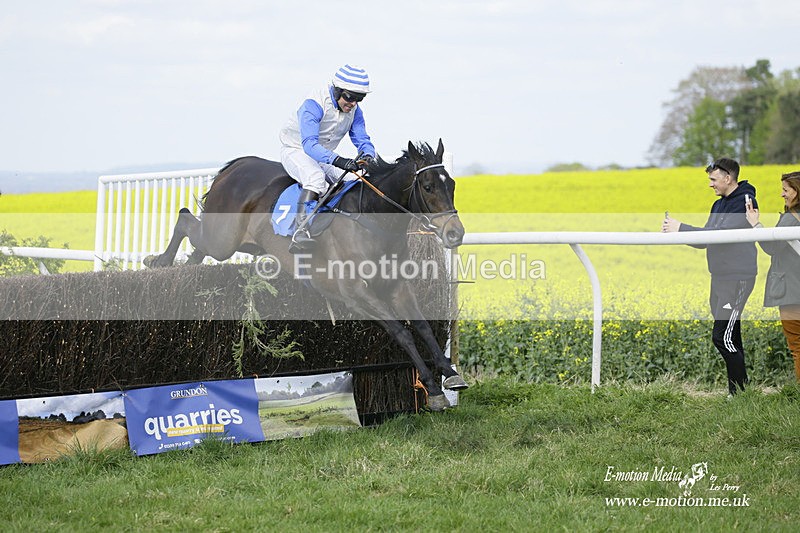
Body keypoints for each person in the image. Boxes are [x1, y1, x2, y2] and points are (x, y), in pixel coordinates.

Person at [662, 158, 758, 396]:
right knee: (731, 335)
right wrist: (677, 233)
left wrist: (681, 228)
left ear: (728, 178)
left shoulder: (745, 202)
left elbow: (719, 236)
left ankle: (739, 394)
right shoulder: (718, 205)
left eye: (713, 179)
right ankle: (740, 394)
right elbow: (705, 241)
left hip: (737, 278)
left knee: (721, 337)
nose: (710, 184)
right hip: (720, 277)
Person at [279, 64, 377, 252]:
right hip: (296, 149)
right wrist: (340, 161)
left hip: (323, 155)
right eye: (350, 97)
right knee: (315, 178)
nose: (353, 103)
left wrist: (368, 156)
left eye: (359, 98)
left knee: (357, 180)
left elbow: (362, 138)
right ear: (338, 90)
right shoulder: (314, 104)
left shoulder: (355, 111)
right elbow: (309, 145)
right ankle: (300, 231)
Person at [746, 171, 800, 382]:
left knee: (797, 345)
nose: (782, 194)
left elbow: (771, 246)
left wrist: (755, 223)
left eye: (786, 190)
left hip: (793, 292)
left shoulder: (790, 219)